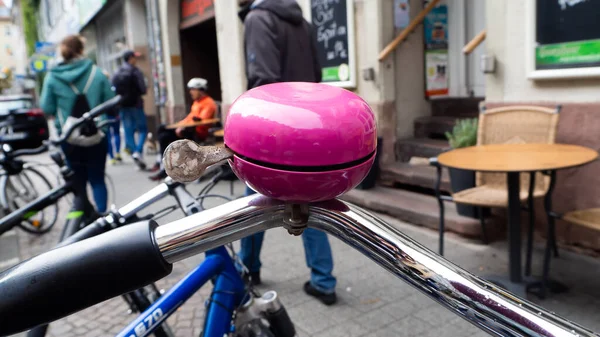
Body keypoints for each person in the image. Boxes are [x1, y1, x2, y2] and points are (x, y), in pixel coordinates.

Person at [238, 0, 337, 305]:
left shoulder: (258, 19)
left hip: (274, 133)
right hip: (308, 129)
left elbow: (263, 80)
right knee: (312, 202)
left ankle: (248, 270)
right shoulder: (304, 24)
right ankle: (324, 281)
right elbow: (318, 75)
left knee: (255, 204)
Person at [40, 34, 114, 213]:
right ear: (81, 50)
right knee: (97, 179)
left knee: (77, 182)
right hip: (97, 134)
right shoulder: (96, 72)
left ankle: (83, 221)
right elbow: (110, 102)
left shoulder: (52, 77)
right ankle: (103, 218)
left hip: (69, 136)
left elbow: (47, 107)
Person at [149, 78, 217, 181]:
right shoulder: (196, 102)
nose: (191, 92)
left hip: (197, 133)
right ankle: (161, 161)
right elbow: (189, 117)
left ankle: (165, 169)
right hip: (188, 130)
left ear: (201, 90)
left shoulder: (208, 103)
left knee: (164, 137)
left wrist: (183, 127)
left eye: (193, 89)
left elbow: (200, 121)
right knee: (162, 129)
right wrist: (178, 125)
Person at [111, 50, 147, 170]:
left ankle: (134, 154)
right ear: (130, 58)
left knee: (128, 132)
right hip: (136, 105)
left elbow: (113, 89)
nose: (136, 60)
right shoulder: (135, 71)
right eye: (134, 58)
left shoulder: (117, 72)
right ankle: (138, 151)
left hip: (123, 106)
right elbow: (143, 89)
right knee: (142, 129)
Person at [101, 69, 122, 165]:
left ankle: (111, 157)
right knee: (116, 133)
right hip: (114, 114)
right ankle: (117, 153)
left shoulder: (99, 90)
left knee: (108, 136)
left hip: (105, 115)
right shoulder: (113, 87)